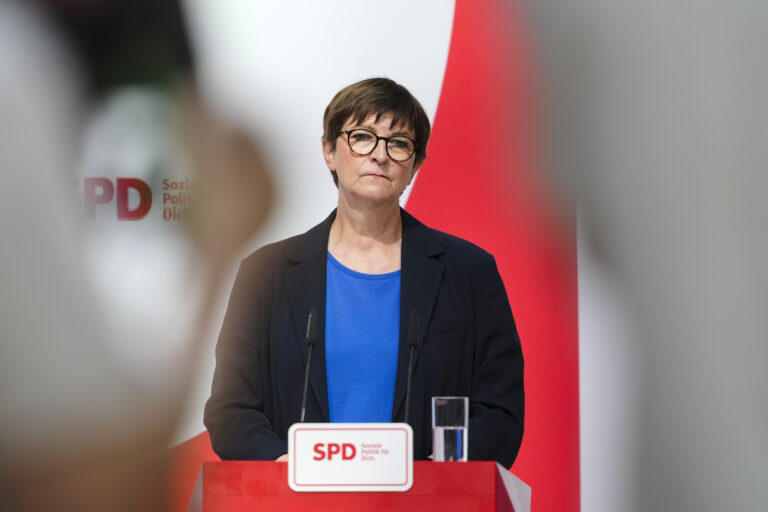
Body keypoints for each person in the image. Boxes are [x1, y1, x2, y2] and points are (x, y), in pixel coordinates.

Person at [204, 77, 524, 468]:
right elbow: (230, 408)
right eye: (362, 137)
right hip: (297, 504)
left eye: (398, 143)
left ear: (415, 165)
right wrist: (283, 466)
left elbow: (500, 411)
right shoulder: (266, 274)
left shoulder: (468, 272)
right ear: (328, 150)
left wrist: (433, 475)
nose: (380, 155)